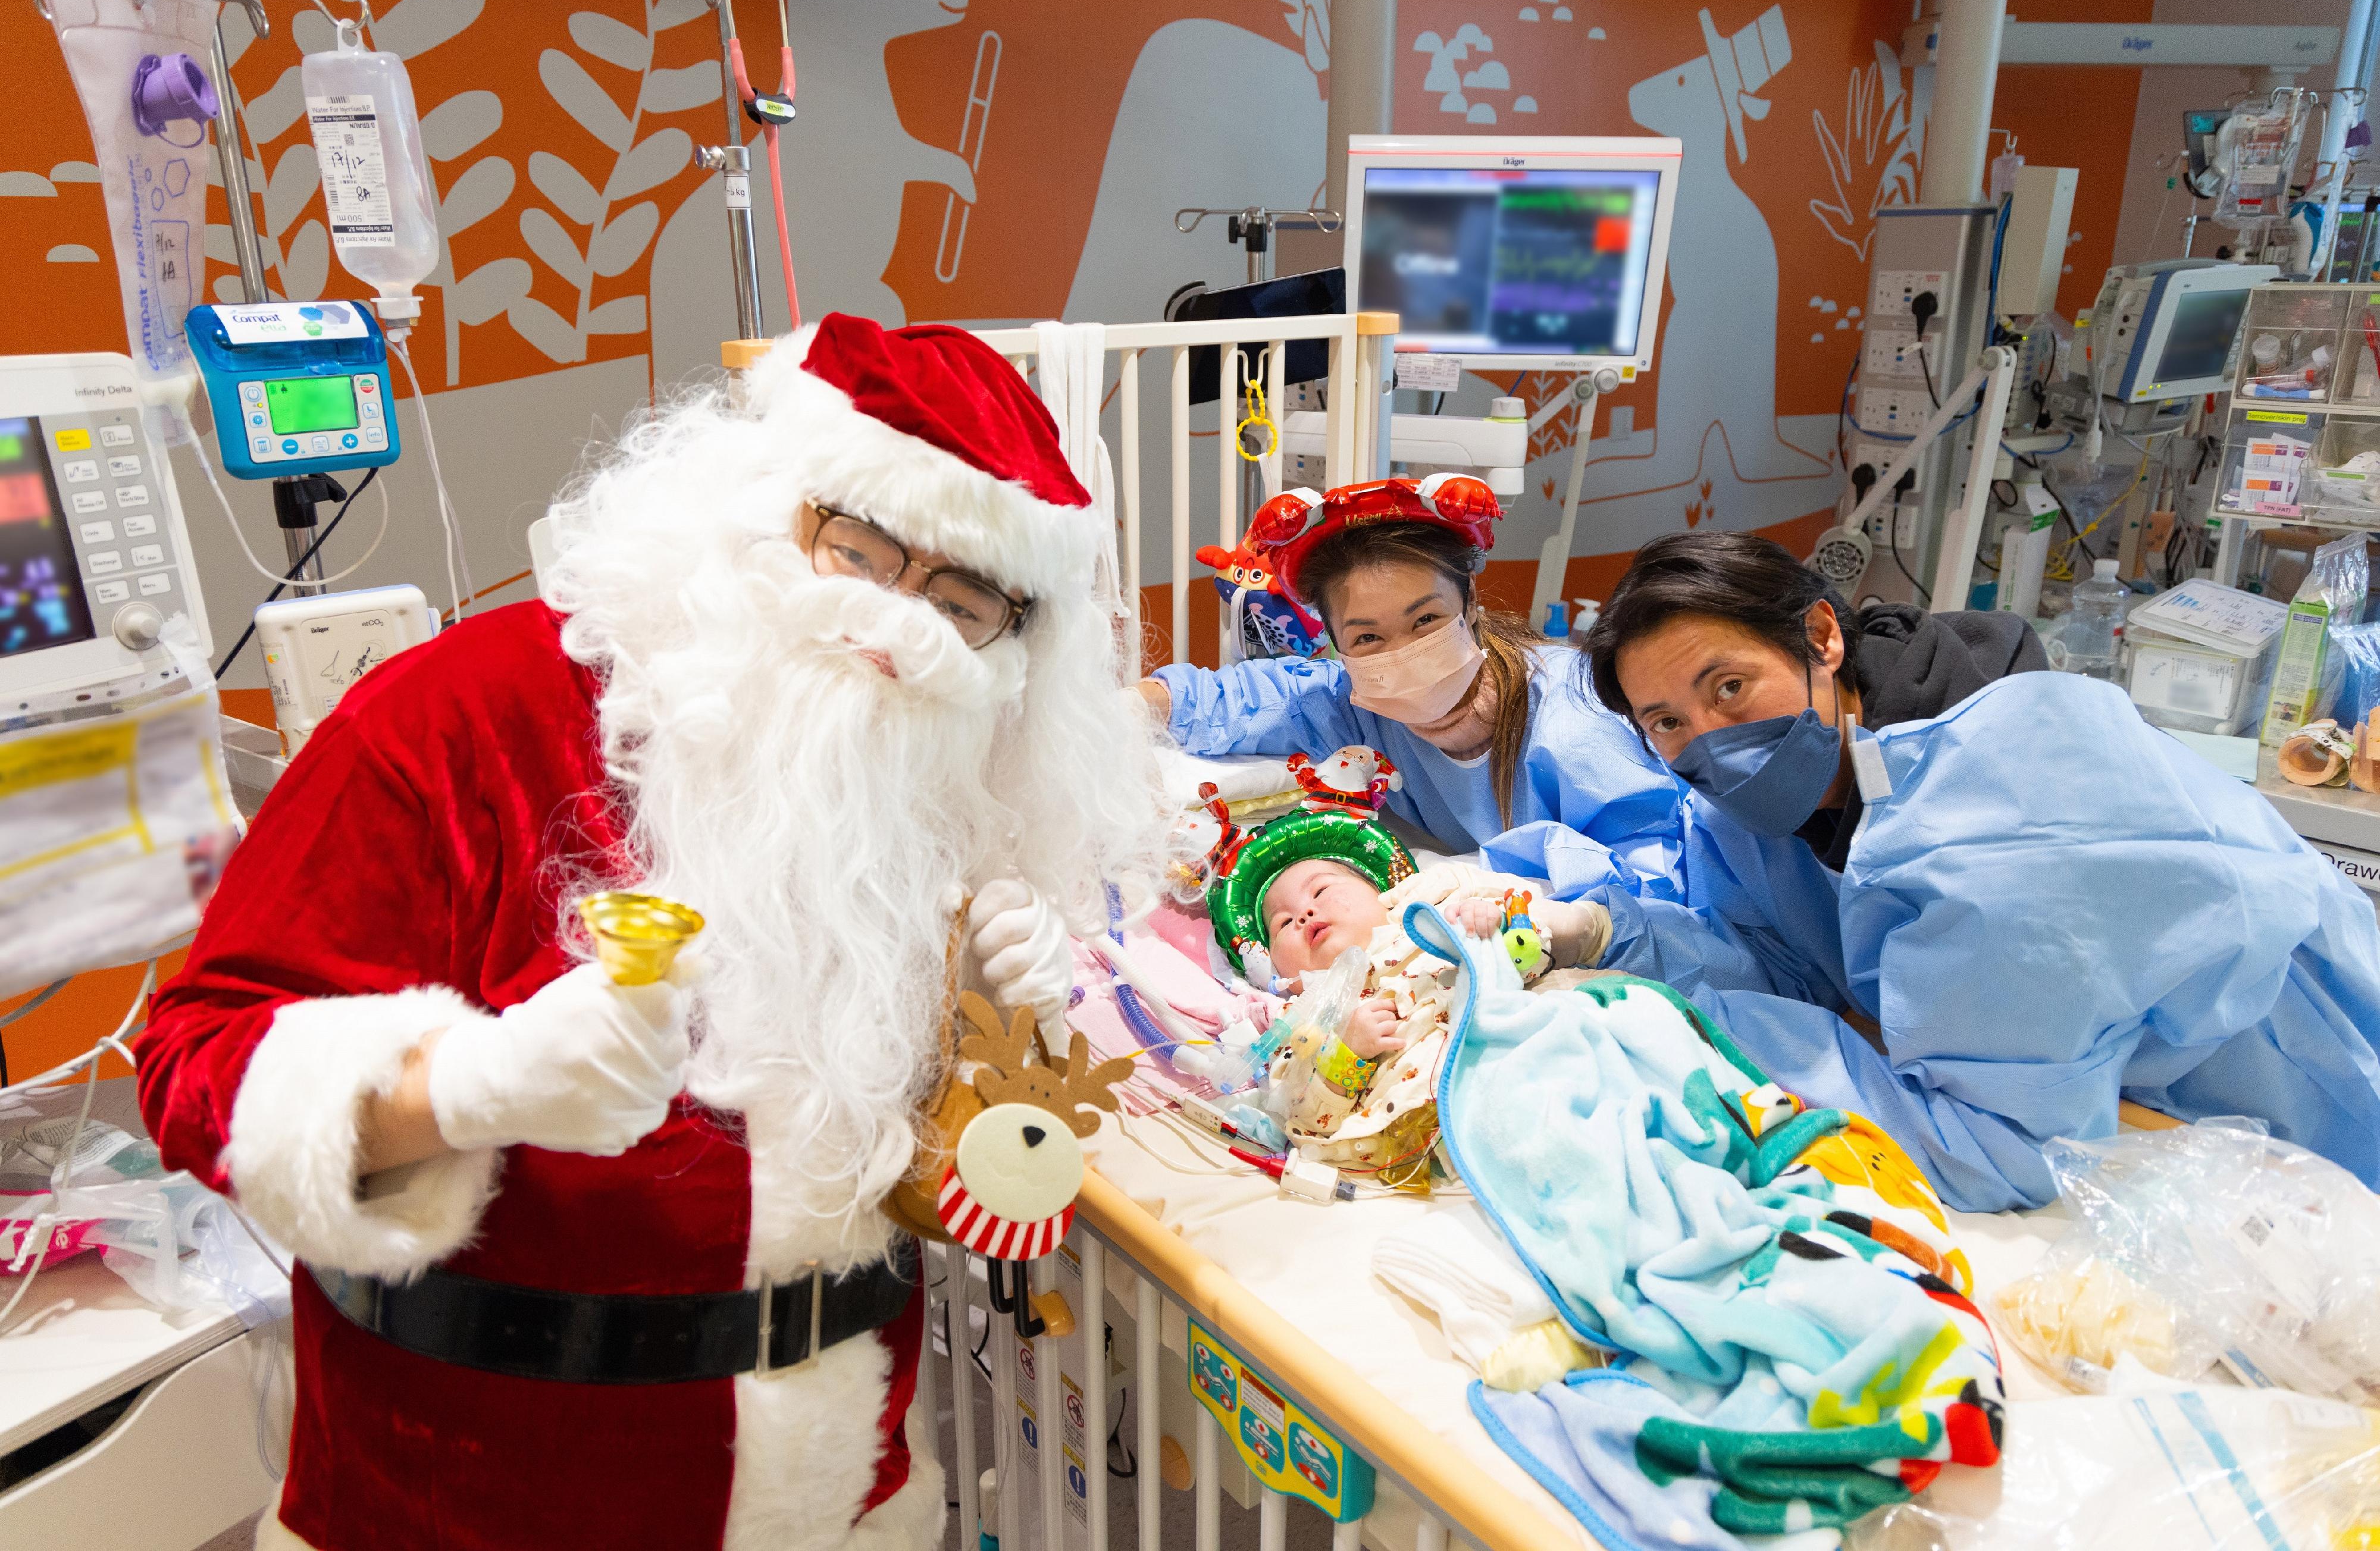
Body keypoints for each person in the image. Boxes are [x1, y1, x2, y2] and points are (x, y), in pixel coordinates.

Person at [133, 315, 1164, 1551]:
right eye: (857, 548)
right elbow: (198, 1061)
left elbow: (936, 1188)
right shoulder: (465, 714)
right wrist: (470, 1086)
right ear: (750, 508)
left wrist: (1002, 1040)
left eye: (961, 600)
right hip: (472, 1500)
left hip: (842, 1495)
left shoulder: (947, 776)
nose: (897, 624)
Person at [1563, 529, 2380, 1213]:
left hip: (2286, 1101)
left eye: (1730, 687)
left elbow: (2000, 1153)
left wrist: (1709, 1034)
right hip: (2091, 1099)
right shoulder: (1768, 799)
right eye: (1666, 722)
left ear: (1822, 638)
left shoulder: (2009, 821)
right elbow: (1790, 961)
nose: (1710, 739)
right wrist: (1617, 938)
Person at [1136, 477, 1687, 897]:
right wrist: (1109, 711)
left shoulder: (1572, 723)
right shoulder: (1356, 712)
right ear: (1335, 645)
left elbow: (1660, 879)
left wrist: (1541, 913)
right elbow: (1229, 701)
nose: (1403, 657)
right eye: (1368, 637)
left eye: (1426, 621)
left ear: (1470, 602)